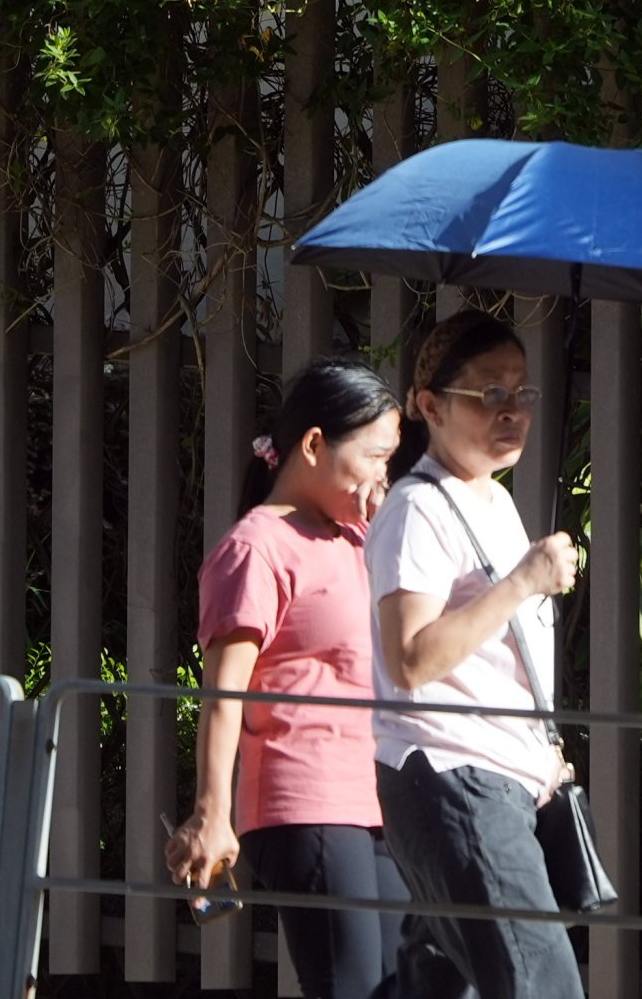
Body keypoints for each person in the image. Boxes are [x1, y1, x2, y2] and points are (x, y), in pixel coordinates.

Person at [167, 359, 410, 999]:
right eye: (376, 456)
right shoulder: (256, 548)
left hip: (376, 799)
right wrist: (211, 813)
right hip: (307, 800)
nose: (385, 474)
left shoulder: (356, 538)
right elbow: (223, 696)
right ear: (312, 446)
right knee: (351, 987)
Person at [370, 307, 589, 999]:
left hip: (500, 778)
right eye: (489, 393)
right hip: (454, 776)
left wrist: (537, 747)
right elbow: (410, 659)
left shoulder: (491, 500)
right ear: (430, 406)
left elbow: (495, 655)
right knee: (540, 985)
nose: (512, 411)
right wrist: (525, 580)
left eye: (522, 392)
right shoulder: (417, 509)